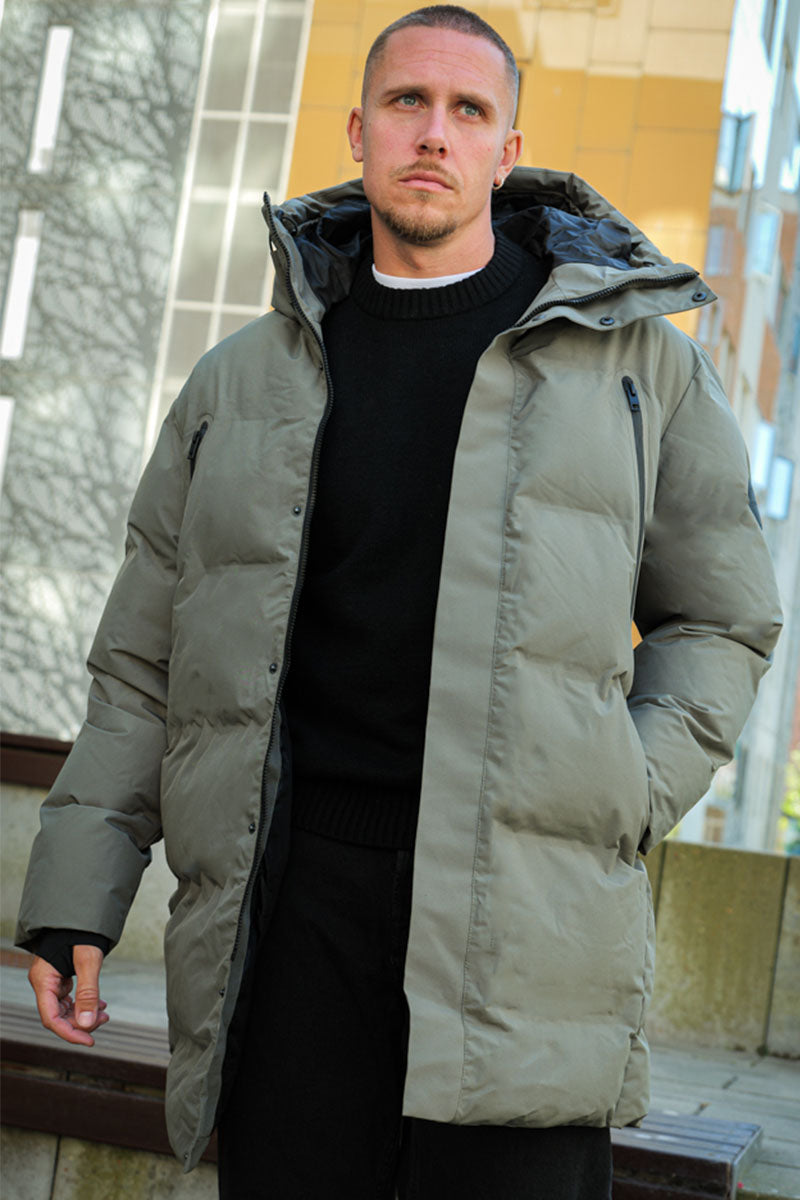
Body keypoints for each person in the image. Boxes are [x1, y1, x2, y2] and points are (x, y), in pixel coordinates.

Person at [17, 6, 781, 1198]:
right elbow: (143, 662)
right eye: (405, 102)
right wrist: (78, 894)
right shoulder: (237, 382)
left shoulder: (640, 372)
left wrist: (623, 786)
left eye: (467, 110)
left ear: (505, 149)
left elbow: (719, 619)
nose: (433, 133)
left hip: (525, 927)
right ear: (358, 130)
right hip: (292, 915)